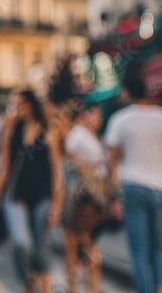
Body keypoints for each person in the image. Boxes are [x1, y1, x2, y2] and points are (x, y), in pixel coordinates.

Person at [105, 69, 162, 293]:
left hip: (132, 186)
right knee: (159, 248)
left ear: (127, 91)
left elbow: (111, 163)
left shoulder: (119, 120)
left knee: (139, 251)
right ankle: (161, 287)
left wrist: (113, 197)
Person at [0, 90, 64, 293]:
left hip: (42, 196)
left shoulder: (48, 130)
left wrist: (57, 205)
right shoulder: (12, 129)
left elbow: (57, 171)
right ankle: (29, 284)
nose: (16, 108)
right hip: (16, 195)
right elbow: (3, 167)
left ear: (30, 104)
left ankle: (42, 289)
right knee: (21, 244)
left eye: (20, 103)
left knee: (42, 250)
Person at [62, 104, 106, 293]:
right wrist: (86, 170)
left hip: (90, 196)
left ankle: (82, 287)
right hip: (82, 195)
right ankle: (78, 287)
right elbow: (70, 155)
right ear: (85, 115)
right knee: (78, 243)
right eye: (95, 115)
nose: (98, 119)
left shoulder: (91, 136)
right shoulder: (79, 133)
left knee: (81, 243)